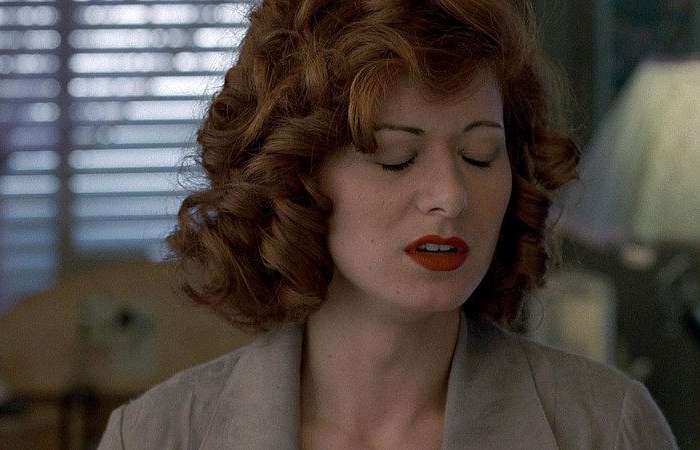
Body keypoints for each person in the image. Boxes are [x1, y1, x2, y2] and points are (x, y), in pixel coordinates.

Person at [98, 0, 678, 448]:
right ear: (295, 177)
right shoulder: (155, 436)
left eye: (479, 156)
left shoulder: (606, 427)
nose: (451, 197)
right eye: (396, 157)